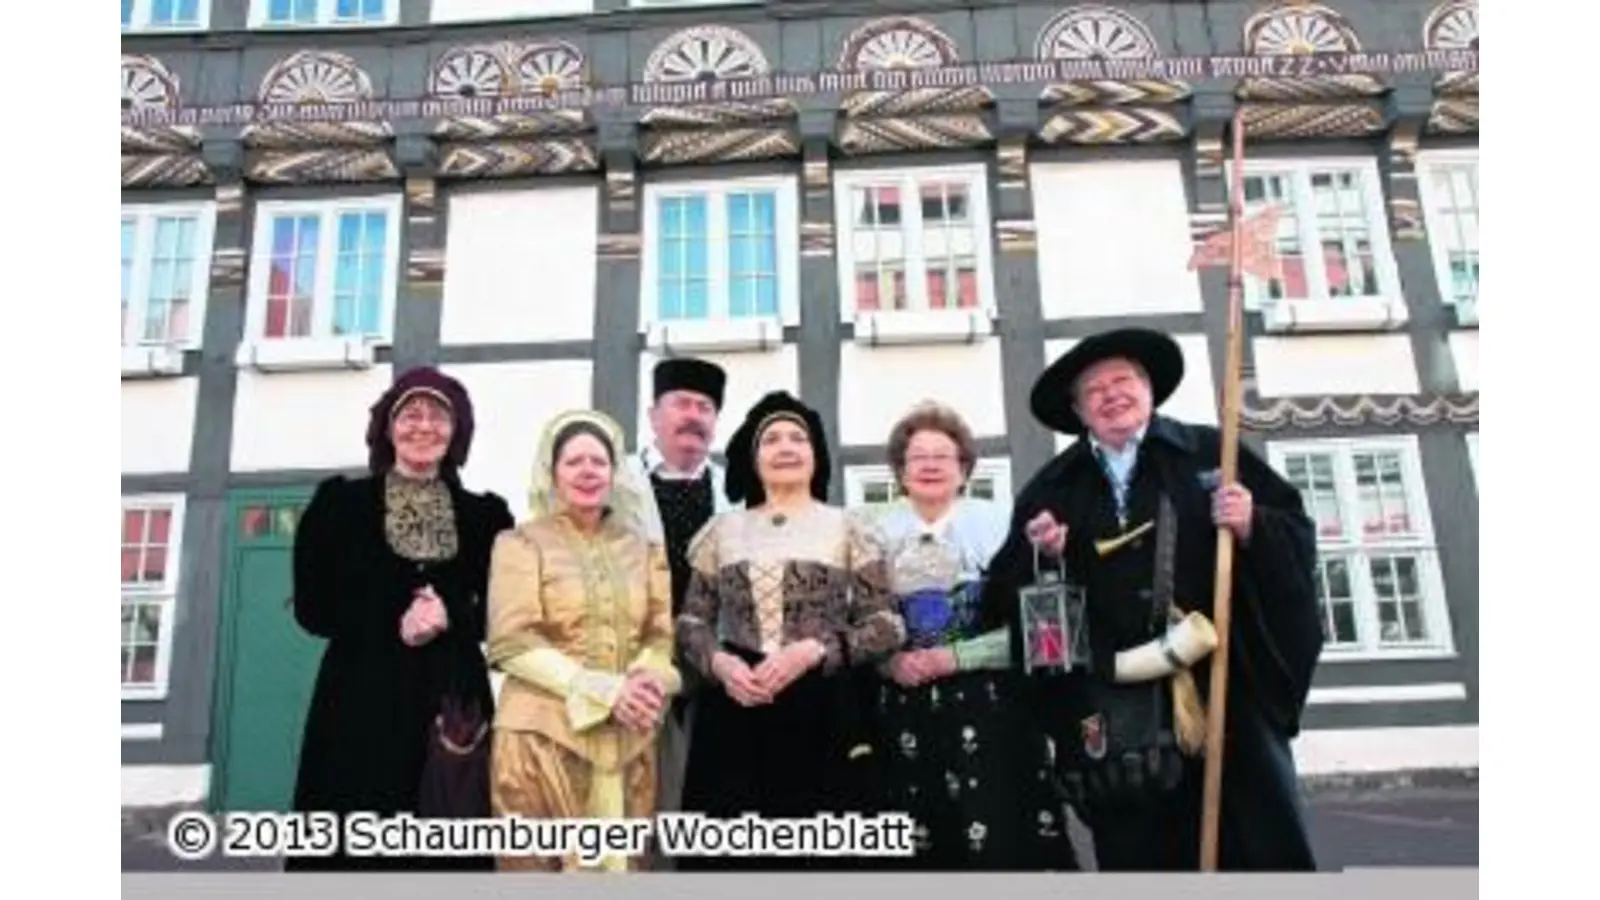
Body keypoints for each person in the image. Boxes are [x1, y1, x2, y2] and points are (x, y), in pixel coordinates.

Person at [976, 327, 1325, 871]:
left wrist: (1253, 523)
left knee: (1255, 840)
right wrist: (1043, 555)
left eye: (1124, 380)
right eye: (1094, 389)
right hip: (1112, 702)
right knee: (1141, 849)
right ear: (1076, 408)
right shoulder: (1053, 486)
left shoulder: (1212, 452)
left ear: (1150, 390)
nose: (1111, 394)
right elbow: (1004, 595)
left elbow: (1297, 539)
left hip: (1223, 689)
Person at [287, 367, 514, 871]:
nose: (423, 426)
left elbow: (506, 611)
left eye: (439, 416)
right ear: (387, 428)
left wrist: (452, 614)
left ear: (458, 432)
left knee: (449, 835)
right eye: (409, 414)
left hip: (451, 701)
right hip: (360, 698)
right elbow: (313, 607)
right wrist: (396, 618)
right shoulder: (338, 505)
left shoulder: (487, 517)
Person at [674, 391, 907, 871]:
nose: (785, 447)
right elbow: (692, 620)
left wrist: (815, 652)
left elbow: (887, 624)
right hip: (738, 706)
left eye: (798, 438)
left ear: (815, 455)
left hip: (824, 708)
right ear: (753, 459)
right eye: (771, 439)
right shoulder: (723, 531)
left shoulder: (848, 527)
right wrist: (719, 663)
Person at [870, 402, 1081, 871]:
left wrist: (958, 657)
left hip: (993, 708)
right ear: (900, 472)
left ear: (964, 469)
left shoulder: (1007, 525)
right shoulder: (871, 534)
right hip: (903, 712)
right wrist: (889, 662)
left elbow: (1047, 628)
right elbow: (854, 626)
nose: (928, 465)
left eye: (942, 456)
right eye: (916, 456)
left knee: (1004, 839)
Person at [484, 409, 680, 872]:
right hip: (542, 738)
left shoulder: (644, 551)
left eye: (599, 461)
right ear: (553, 473)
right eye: (574, 461)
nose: (588, 471)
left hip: (629, 739)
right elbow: (511, 640)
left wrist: (645, 682)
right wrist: (607, 690)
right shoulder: (520, 543)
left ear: (614, 473)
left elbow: (659, 635)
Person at [622, 356, 733, 851]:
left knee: (707, 803)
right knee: (635, 807)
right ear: (653, 416)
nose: (693, 415)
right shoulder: (617, 484)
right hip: (633, 669)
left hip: (718, 670)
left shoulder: (735, 491)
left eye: (705, 407)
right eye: (681, 404)